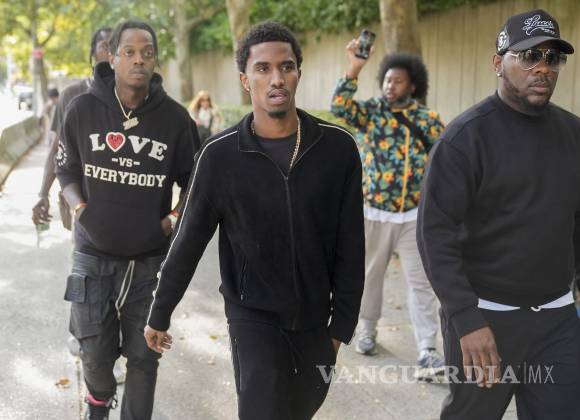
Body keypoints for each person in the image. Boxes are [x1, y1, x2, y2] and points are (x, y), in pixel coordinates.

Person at [145, 21, 365, 420]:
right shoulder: (218, 155)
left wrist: (340, 329)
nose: (276, 78)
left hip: (316, 321)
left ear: (298, 73)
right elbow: (188, 240)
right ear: (245, 80)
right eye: (263, 68)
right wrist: (160, 311)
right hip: (252, 317)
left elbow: (352, 245)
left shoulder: (338, 148)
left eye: (286, 66)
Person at [417, 9, 580, 420]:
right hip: (485, 320)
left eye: (552, 58)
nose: (542, 68)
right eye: (529, 56)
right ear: (497, 63)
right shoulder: (463, 140)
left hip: (558, 321)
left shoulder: (574, 134)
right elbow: (435, 235)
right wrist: (466, 319)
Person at [56, 19, 199, 419]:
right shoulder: (82, 109)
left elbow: (195, 182)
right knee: (93, 353)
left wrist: (172, 219)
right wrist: (80, 209)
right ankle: (99, 400)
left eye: (147, 53)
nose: (139, 60)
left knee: (144, 356)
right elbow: (66, 169)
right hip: (91, 256)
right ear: (112, 58)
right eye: (130, 52)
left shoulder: (175, 119)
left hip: (148, 261)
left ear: (155, 61)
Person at [330, 41, 445, 379]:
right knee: (370, 277)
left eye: (397, 81)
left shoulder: (428, 120)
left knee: (421, 282)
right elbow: (339, 106)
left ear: (413, 86)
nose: (389, 86)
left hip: (413, 217)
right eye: (387, 80)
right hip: (374, 213)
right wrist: (355, 67)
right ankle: (367, 330)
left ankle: (427, 349)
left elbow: (446, 159)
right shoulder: (371, 113)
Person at [32, 27, 112, 229]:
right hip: (80, 205)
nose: (111, 51)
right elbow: (57, 149)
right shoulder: (72, 95)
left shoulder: (134, 98)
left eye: (116, 46)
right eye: (105, 46)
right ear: (92, 53)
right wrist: (43, 194)